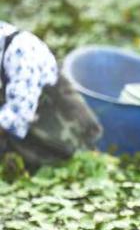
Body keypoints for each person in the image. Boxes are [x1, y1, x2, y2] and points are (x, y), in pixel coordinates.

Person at [0, 21, 102, 171]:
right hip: (22, 135)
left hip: (60, 134)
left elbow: (17, 114)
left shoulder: (22, 51)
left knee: (65, 166)